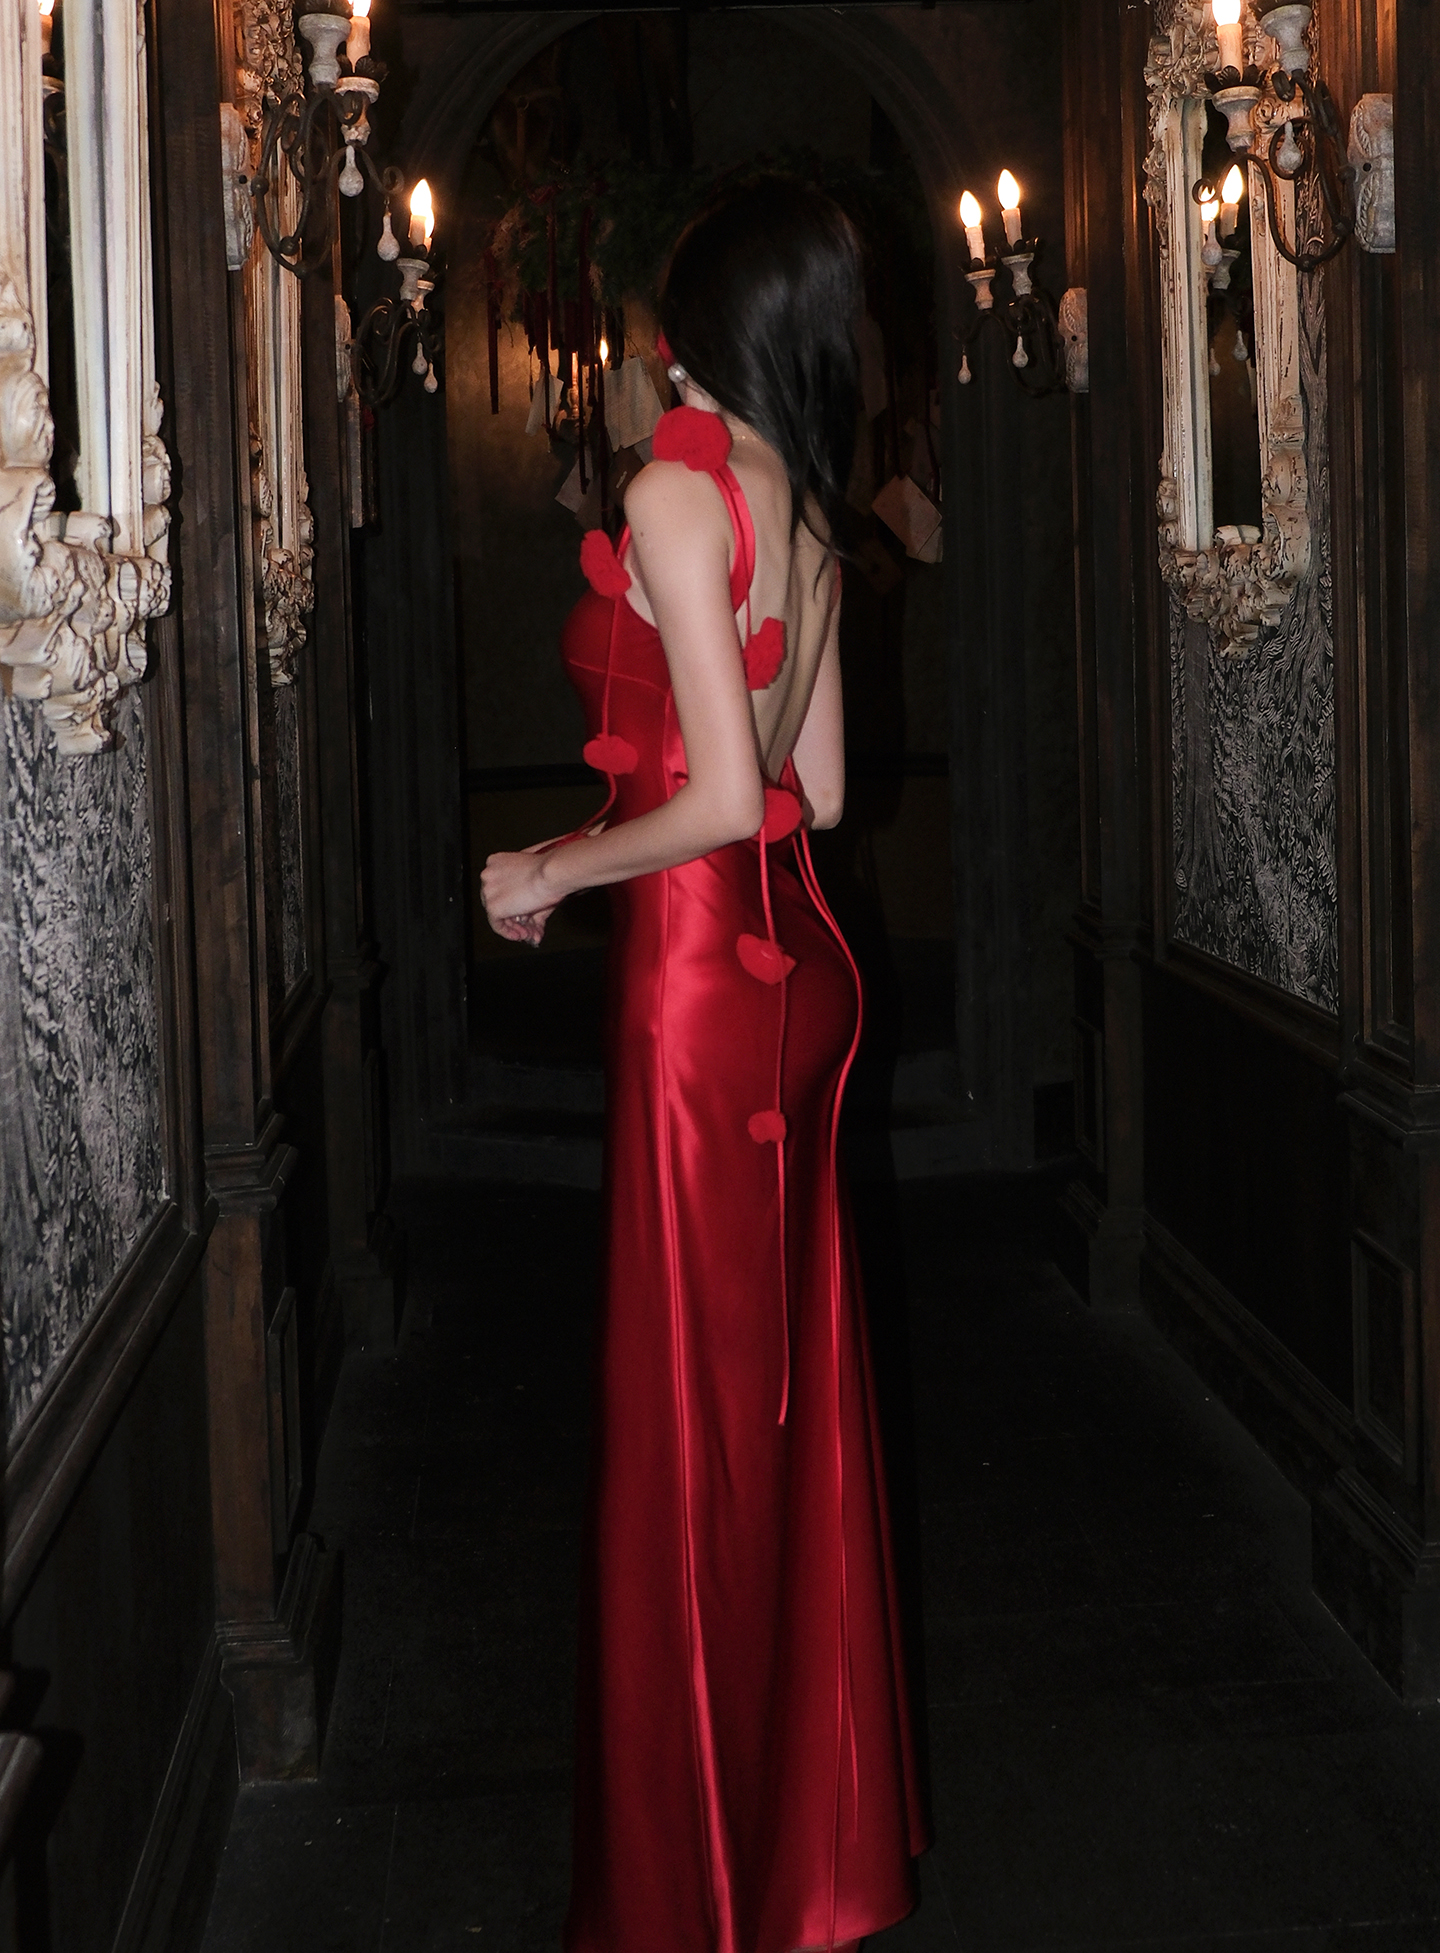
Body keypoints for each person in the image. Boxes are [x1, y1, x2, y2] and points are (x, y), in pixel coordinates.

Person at [481, 177, 926, 1953]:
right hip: (792, 976)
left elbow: (733, 795)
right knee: (781, 1404)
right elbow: (820, 790)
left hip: (696, 987)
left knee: (686, 1423)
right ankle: (799, 1851)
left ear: (703, 324)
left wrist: (550, 867)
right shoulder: (802, 506)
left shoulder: (679, 492)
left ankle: (701, 1890)